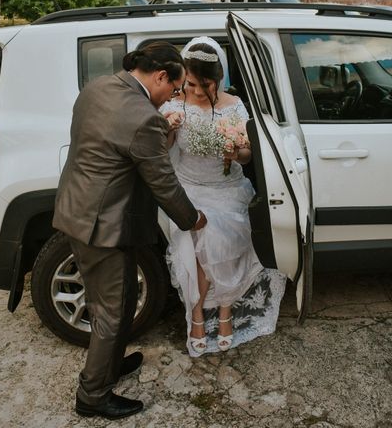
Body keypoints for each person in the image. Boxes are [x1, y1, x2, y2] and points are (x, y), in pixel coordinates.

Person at [53, 41, 207, 420]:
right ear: (159, 75)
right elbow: (164, 185)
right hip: (103, 226)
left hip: (76, 210)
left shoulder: (98, 88)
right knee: (112, 312)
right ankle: (92, 396)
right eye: (172, 89)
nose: (171, 97)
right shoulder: (144, 118)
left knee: (115, 303)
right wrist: (193, 219)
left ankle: (107, 364)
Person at [160, 36, 286, 357]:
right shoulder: (175, 106)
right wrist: (167, 128)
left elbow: (247, 156)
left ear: (219, 79)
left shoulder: (235, 106)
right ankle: (199, 314)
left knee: (226, 246)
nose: (198, 92)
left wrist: (236, 150)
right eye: (191, 84)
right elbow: (161, 153)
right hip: (188, 189)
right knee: (202, 245)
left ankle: (226, 308)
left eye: (206, 85)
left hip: (228, 189)